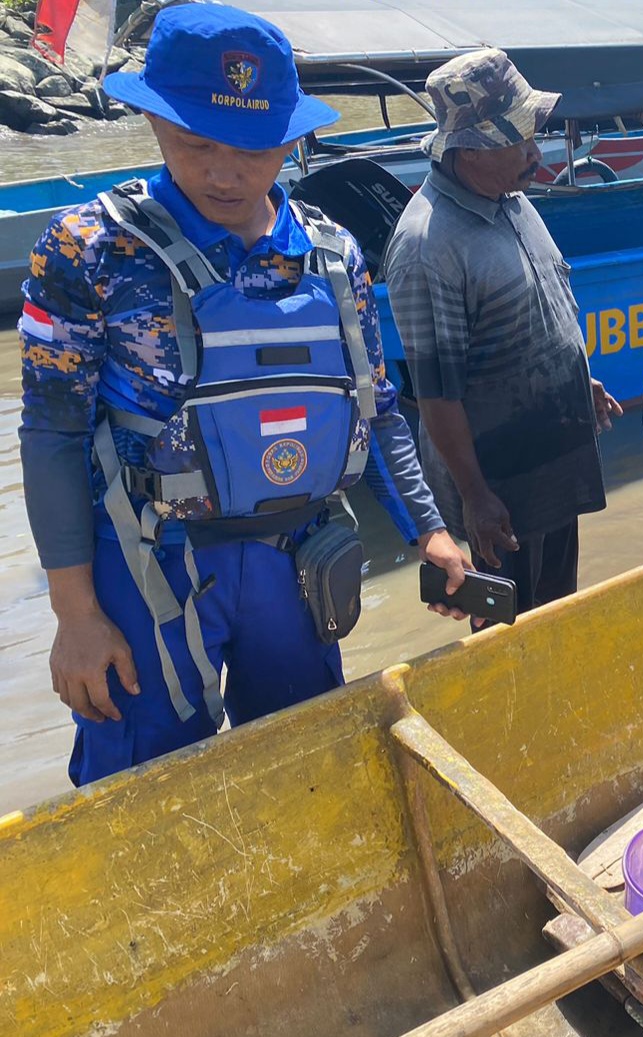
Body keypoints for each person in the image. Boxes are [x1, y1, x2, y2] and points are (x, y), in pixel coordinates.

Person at [16, 5, 470, 785]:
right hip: (148, 565)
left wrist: (429, 531)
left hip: (298, 567)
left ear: (290, 140)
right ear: (151, 122)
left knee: (302, 771)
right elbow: (51, 435)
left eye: (255, 149)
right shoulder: (89, 248)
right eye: (197, 142)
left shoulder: (335, 255)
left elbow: (378, 407)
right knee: (146, 794)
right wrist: (74, 615)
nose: (224, 172)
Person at [385, 50, 621, 618]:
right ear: (468, 150)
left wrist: (576, 381)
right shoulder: (427, 247)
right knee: (506, 635)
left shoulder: (513, 200)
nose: (536, 154)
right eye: (518, 139)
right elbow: (437, 394)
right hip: (499, 486)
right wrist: (475, 498)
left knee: (557, 615)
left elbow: (540, 311)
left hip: (553, 453)